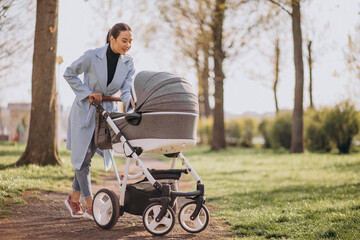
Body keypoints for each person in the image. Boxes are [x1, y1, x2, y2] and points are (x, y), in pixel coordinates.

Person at [63, 23, 136, 220]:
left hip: (105, 113)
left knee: (90, 154)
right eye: (124, 40)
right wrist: (87, 94)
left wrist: (130, 100)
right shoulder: (91, 56)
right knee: (83, 158)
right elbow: (69, 73)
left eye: (130, 41)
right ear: (112, 38)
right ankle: (89, 204)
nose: (127, 45)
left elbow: (127, 89)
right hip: (85, 112)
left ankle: (73, 197)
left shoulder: (128, 63)